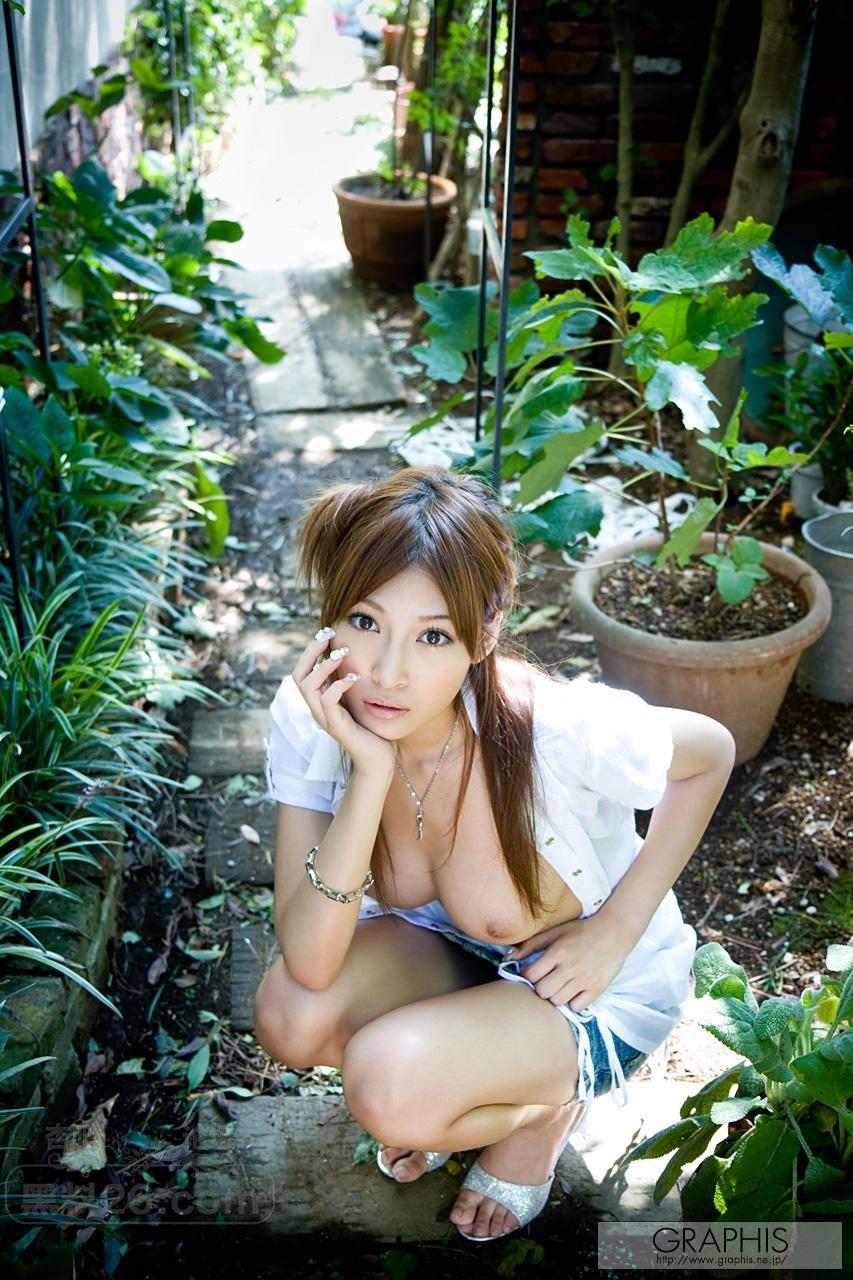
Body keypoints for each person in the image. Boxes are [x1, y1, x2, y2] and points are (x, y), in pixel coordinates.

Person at [253, 464, 736, 1242]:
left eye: (432, 635)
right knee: (289, 1014)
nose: (387, 672)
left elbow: (709, 753)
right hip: (455, 958)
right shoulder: (316, 715)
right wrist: (370, 771)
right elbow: (310, 962)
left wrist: (615, 931)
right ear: (330, 615)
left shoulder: (559, 732)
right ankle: (464, 1070)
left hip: (583, 993)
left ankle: (541, 1115)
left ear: (483, 632)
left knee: (388, 1089)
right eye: (364, 621)